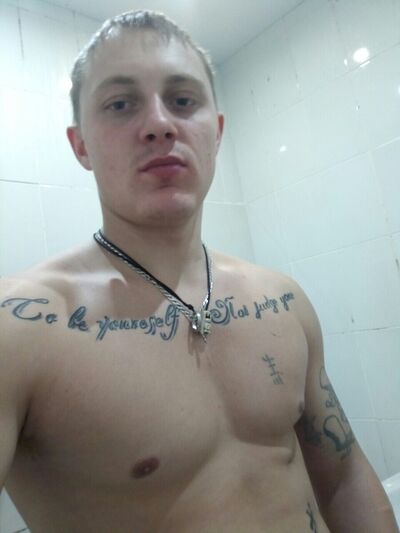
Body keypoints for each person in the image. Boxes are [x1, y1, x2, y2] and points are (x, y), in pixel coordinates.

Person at [0, 9, 397, 533]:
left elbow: (343, 477)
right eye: (120, 104)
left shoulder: (282, 300)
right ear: (81, 146)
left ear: (217, 131)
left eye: (183, 101)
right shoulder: (20, 328)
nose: (160, 124)